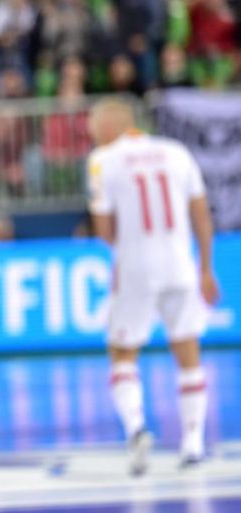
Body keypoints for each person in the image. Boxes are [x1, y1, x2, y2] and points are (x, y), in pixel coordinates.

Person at [86, 98, 220, 476]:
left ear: (109, 126)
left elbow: (104, 231)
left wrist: (123, 255)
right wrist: (206, 269)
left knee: (122, 352)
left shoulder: (103, 161)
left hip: (136, 267)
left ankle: (136, 428)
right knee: (188, 352)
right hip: (181, 264)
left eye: (93, 128)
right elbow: (201, 215)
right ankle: (192, 443)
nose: (92, 135)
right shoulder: (176, 152)